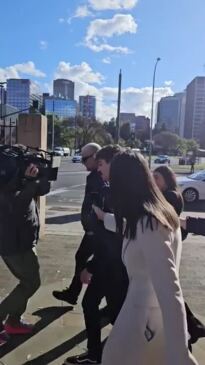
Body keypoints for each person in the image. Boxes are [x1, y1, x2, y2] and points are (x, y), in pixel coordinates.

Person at [93, 150, 198, 365]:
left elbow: (171, 289)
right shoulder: (155, 215)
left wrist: (180, 354)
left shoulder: (150, 224)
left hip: (145, 321)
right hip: (146, 317)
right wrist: (105, 218)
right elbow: (131, 229)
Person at [64, 145, 128, 365]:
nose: (98, 170)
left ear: (112, 163)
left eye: (101, 164)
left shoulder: (117, 193)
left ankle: (110, 354)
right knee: (95, 305)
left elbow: (114, 239)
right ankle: (97, 355)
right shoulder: (113, 187)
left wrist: (90, 266)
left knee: (114, 312)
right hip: (108, 263)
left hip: (113, 266)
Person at [0, 153, 50, 346]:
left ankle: (13, 320)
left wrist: (38, 178)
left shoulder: (19, 181)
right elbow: (16, 206)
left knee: (27, 281)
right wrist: (29, 181)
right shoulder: (6, 183)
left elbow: (42, 189)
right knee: (31, 283)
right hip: (13, 244)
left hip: (23, 240)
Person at [153, 165, 205, 348]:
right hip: (168, 245)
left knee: (169, 290)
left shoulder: (170, 196)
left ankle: (188, 330)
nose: (154, 181)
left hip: (168, 246)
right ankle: (193, 326)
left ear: (167, 179)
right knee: (170, 289)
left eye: (157, 178)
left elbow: (163, 218)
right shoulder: (169, 194)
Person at [53, 143, 103, 305]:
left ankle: (78, 294)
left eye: (85, 159)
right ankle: (73, 293)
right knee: (83, 258)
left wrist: (91, 228)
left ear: (95, 156)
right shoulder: (94, 176)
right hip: (93, 229)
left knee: (88, 260)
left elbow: (97, 205)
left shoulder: (98, 176)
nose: (82, 162)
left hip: (96, 230)